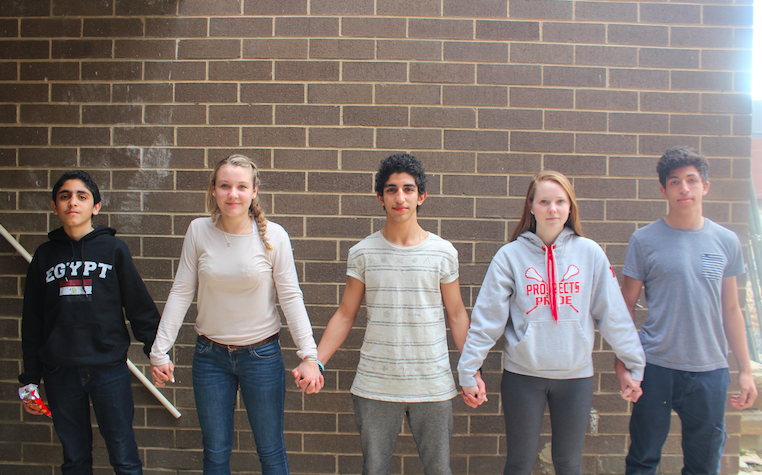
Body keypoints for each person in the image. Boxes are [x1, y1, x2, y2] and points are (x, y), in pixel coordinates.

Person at [292, 153, 483, 475]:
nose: (400, 197)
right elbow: (344, 314)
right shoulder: (363, 252)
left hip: (433, 384)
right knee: (374, 470)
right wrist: (315, 360)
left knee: (439, 470)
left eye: (408, 189)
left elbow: (456, 314)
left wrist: (472, 371)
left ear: (421, 196)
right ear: (380, 197)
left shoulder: (443, 252)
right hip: (375, 385)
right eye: (392, 189)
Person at [457, 170, 646, 475]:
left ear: (570, 207)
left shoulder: (590, 254)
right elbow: (486, 320)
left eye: (560, 201)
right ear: (531, 206)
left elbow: (614, 315)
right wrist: (468, 370)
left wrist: (634, 365)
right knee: (519, 463)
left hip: (576, 378)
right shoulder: (510, 256)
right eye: (544, 201)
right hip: (523, 377)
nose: (553, 209)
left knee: (569, 463)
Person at [149, 155, 321, 475]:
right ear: (213, 189)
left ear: (254, 191)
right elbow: (181, 291)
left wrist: (309, 355)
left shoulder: (274, 236)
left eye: (242, 186)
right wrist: (160, 351)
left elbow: (291, 298)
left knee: (270, 450)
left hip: (261, 356)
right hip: (209, 356)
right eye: (225, 186)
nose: (233, 194)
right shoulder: (199, 231)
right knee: (215, 452)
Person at [618, 146, 757, 475]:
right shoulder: (644, 239)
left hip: (710, 371)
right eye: (675, 181)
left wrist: (745, 370)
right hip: (656, 368)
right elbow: (624, 308)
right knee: (642, 459)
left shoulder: (726, 241)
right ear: (663, 190)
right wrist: (623, 364)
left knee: (704, 465)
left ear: (704, 187)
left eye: (692, 180)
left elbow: (733, 309)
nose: (684, 188)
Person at [19, 170, 160, 474]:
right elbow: (31, 322)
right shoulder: (43, 257)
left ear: (95, 207)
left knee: (124, 456)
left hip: (108, 370)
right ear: (54, 206)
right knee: (75, 459)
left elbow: (140, 308)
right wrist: (30, 378)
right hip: (59, 372)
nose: (73, 202)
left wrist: (156, 353)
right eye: (64, 196)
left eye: (82, 196)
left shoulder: (114, 250)